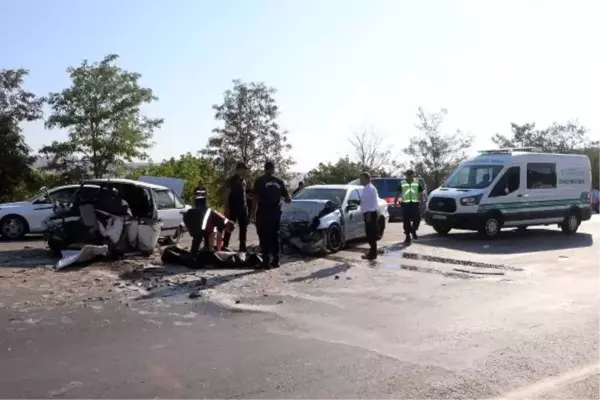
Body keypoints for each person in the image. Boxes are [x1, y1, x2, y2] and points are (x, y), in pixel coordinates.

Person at [252, 161, 292, 268]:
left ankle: (266, 262)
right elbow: (288, 199)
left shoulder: (260, 180)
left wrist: (253, 213)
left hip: (263, 213)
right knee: (275, 236)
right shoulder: (279, 181)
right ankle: (276, 260)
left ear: (264, 168)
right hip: (275, 213)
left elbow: (255, 198)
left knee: (264, 236)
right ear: (273, 169)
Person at [223, 162, 249, 252]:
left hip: (243, 208)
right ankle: (225, 245)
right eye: (243, 169)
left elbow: (244, 194)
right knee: (230, 227)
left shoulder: (244, 180)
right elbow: (227, 195)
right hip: (233, 207)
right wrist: (226, 209)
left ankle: (242, 247)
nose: (245, 171)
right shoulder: (231, 180)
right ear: (238, 170)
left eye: (245, 169)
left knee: (243, 228)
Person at [394, 169, 424, 244]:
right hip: (405, 204)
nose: (409, 176)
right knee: (406, 221)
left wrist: (422, 201)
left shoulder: (417, 182)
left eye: (411, 174)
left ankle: (413, 231)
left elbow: (420, 193)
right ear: (406, 175)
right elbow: (398, 193)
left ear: (413, 175)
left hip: (415, 204)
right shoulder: (402, 183)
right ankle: (407, 236)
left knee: (417, 219)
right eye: (408, 175)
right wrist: (395, 202)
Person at [359, 172, 380, 260]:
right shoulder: (367, 188)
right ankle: (372, 252)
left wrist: (368, 214)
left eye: (362, 179)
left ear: (367, 179)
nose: (360, 181)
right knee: (370, 234)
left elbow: (369, 203)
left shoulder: (369, 189)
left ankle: (373, 254)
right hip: (369, 213)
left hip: (370, 213)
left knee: (370, 234)